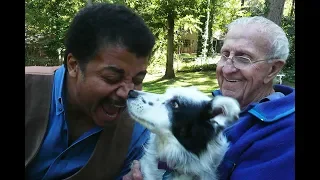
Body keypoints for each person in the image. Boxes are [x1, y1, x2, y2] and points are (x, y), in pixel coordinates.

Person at [124, 16, 295, 180]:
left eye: (243, 58)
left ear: (272, 69)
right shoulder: (206, 108)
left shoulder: (285, 134)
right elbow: (169, 161)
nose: (227, 69)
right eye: (225, 54)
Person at [25, 2, 155, 180]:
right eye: (111, 77)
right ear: (74, 65)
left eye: (137, 80)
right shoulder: (29, 88)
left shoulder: (137, 135)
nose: (127, 93)